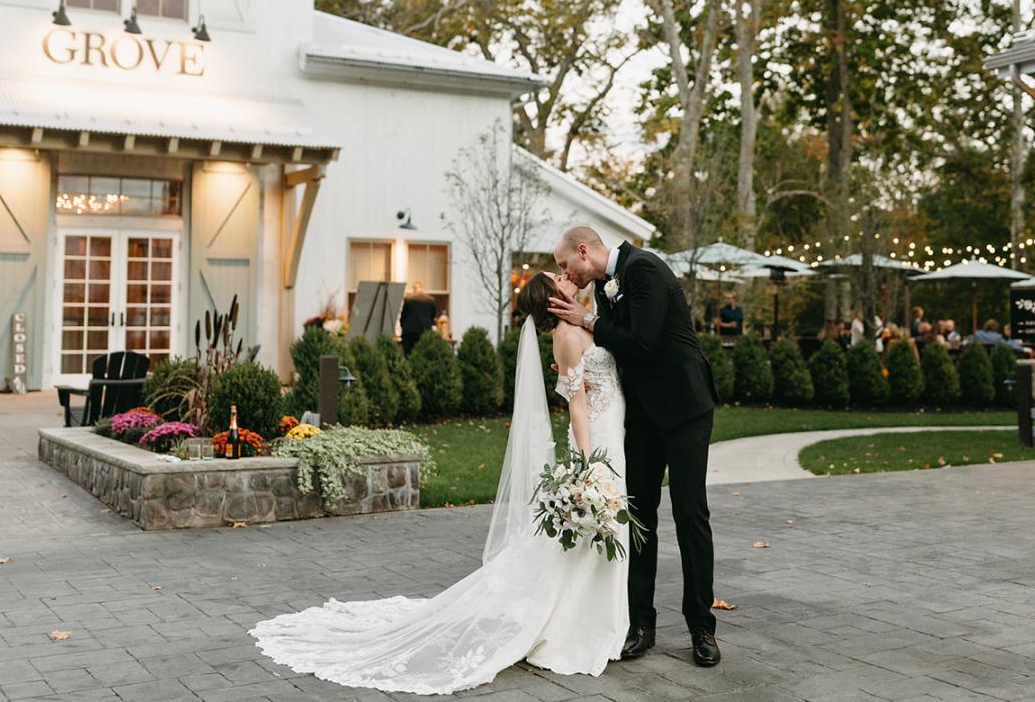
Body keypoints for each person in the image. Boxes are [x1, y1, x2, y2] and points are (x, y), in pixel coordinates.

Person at [251, 271, 628, 693]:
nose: (565, 276)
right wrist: (587, 465)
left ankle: (590, 618)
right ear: (552, 298)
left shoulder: (576, 325)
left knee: (595, 535)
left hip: (609, 432)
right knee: (593, 531)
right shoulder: (567, 337)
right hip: (596, 442)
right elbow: (577, 407)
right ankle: (577, 624)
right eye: (557, 277)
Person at [548, 226, 721, 669]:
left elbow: (643, 341)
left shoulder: (644, 269)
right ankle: (641, 624)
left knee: (690, 513)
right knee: (639, 514)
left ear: (583, 251)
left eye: (565, 264)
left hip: (684, 408)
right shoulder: (604, 287)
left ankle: (701, 627)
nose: (564, 272)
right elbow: (612, 344)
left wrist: (586, 321)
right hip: (642, 416)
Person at [398, 282, 438, 355]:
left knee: (409, 354)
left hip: (409, 332)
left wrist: (402, 326)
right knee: (424, 354)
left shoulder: (408, 299)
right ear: (422, 289)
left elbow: (403, 316)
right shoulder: (431, 300)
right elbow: (433, 317)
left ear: (413, 289)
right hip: (425, 331)